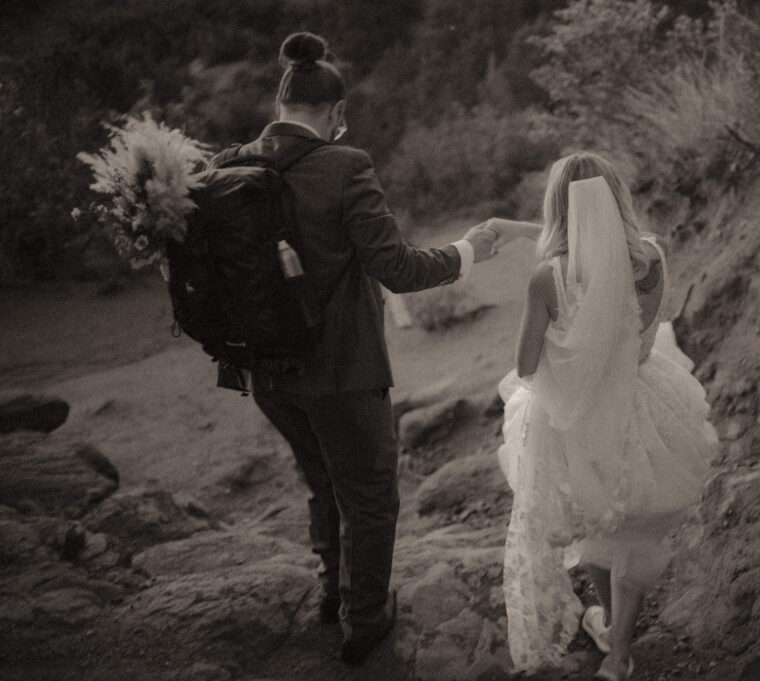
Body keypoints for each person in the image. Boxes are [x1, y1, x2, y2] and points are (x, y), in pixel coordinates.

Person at [208, 31, 499, 666]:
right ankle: (364, 620)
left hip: (265, 373)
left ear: (282, 104)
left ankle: (328, 596)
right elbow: (396, 267)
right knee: (369, 497)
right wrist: (471, 249)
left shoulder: (229, 164)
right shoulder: (346, 166)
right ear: (336, 113)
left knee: (321, 482)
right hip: (341, 373)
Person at [492, 152, 719, 680]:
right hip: (642, 406)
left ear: (556, 208)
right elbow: (633, 332)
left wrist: (559, 336)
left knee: (591, 520)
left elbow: (526, 364)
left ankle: (612, 631)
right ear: (617, 197)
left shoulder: (546, 279)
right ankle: (617, 653)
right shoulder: (652, 258)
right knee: (635, 530)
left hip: (576, 422)